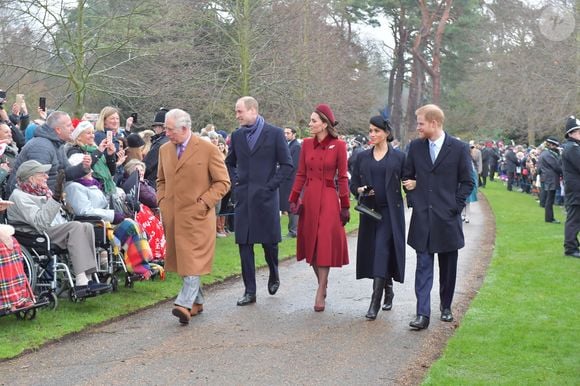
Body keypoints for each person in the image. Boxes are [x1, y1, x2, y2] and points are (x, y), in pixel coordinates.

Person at [402, 104, 474, 330]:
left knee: (448, 267)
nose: (418, 127)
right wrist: (414, 196)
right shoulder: (414, 147)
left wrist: (454, 206)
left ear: (434, 123)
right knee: (423, 266)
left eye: (421, 123)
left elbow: (468, 182)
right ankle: (422, 313)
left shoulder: (459, 148)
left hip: (447, 219)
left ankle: (445, 306)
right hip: (423, 219)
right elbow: (407, 177)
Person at [157, 109, 230, 324]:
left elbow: (223, 182)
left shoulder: (208, 149)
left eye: (170, 130)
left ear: (185, 128)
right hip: (173, 215)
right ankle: (196, 301)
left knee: (192, 258)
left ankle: (184, 303)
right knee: (183, 259)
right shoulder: (164, 150)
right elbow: (160, 181)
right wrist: (162, 201)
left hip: (197, 216)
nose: (167, 133)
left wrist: (204, 202)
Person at [7, 160, 111, 297]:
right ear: (31, 177)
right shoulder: (19, 196)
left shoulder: (41, 192)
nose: (46, 176)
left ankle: (89, 278)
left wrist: (62, 204)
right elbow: (40, 222)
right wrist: (55, 199)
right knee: (76, 227)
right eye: (42, 174)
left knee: (87, 226)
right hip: (35, 234)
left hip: (51, 229)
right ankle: (81, 281)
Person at [225, 96, 293, 306]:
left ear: (253, 110)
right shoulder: (236, 136)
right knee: (244, 245)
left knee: (269, 244)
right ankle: (250, 291)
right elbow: (230, 163)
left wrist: (270, 187)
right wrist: (237, 182)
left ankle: (274, 271)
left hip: (266, 199)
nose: (237, 116)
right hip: (244, 199)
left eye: (239, 111)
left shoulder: (274, 134)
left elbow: (287, 164)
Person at [288, 103, 350, 312]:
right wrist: (294, 197)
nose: (310, 124)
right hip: (311, 198)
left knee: (324, 241)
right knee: (312, 244)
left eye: (314, 120)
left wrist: (345, 205)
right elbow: (301, 174)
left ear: (324, 124)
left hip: (330, 198)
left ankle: (321, 287)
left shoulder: (339, 146)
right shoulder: (305, 144)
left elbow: (342, 177)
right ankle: (321, 283)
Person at [64, 154, 156, 280]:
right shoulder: (74, 187)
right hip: (93, 224)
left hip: (103, 221)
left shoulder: (93, 184)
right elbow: (84, 211)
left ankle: (141, 265)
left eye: (90, 168)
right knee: (130, 226)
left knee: (133, 224)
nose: (91, 171)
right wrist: (112, 215)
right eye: (86, 168)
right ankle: (139, 267)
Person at [349, 116, 405, 320]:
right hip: (370, 213)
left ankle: (375, 302)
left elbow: (409, 179)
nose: (372, 134)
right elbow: (353, 183)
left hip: (391, 213)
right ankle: (388, 288)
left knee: (382, 250)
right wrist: (360, 190)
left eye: (376, 131)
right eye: (370, 130)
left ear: (387, 133)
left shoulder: (399, 157)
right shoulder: (362, 157)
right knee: (376, 253)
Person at [7, 111, 91, 195]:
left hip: (47, 197)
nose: (73, 128)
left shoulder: (58, 144)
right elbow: (37, 183)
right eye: (69, 125)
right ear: (58, 130)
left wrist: (83, 167)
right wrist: (55, 201)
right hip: (28, 202)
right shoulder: (41, 147)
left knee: (75, 188)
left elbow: (65, 174)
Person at [65, 120, 117, 196]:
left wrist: (110, 155)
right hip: (88, 192)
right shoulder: (74, 151)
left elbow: (112, 172)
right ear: (79, 137)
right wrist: (98, 151)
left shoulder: (94, 149)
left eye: (93, 133)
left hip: (104, 189)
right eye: (88, 133)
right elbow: (83, 169)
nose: (92, 135)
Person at [562, 116, 580, 258]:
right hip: (575, 189)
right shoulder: (572, 148)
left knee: (575, 219)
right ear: (571, 133)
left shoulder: (573, 147)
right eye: (578, 132)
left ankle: (573, 245)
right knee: (574, 219)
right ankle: (570, 247)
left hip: (575, 188)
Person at [279, 126, 301, 238]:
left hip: (291, 181)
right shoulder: (288, 145)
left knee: (292, 205)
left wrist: (282, 175)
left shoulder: (296, 146)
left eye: (288, 133)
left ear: (294, 134)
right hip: (286, 181)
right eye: (284, 133)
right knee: (288, 206)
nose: (285, 135)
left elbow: (294, 165)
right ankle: (292, 230)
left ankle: (294, 231)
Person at [537, 137, 563, 224]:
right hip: (551, 178)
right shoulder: (548, 154)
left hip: (547, 177)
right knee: (550, 199)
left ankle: (549, 218)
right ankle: (549, 218)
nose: (556, 147)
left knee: (549, 199)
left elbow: (539, 168)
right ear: (551, 145)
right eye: (555, 145)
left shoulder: (544, 153)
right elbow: (556, 166)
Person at [144, 108, 169, 189]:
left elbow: (147, 166)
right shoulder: (174, 141)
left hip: (155, 184)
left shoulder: (160, 144)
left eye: (155, 126)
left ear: (163, 127)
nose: (154, 129)